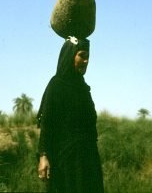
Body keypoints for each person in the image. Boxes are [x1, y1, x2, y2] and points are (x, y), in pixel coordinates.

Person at [37, 36, 104, 193]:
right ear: (69, 55)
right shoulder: (56, 85)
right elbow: (47, 123)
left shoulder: (83, 89)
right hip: (65, 162)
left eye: (88, 57)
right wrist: (43, 156)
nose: (86, 61)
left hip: (88, 160)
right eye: (82, 55)